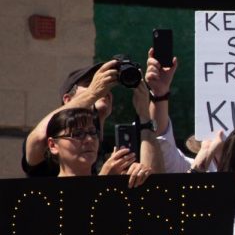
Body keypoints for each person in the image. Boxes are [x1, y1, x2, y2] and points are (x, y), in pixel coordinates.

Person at [23, 58, 163, 177]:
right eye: (91, 82)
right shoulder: (59, 146)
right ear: (68, 99)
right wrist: (92, 94)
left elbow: (157, 183)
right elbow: (38, 139)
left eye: (108, 83)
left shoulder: (119, 143)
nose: (103, 87)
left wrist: (144, 114)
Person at [46, 108, 152, 187]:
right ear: (53, 145)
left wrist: (140, 178)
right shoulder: (44, 192)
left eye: (92, 132)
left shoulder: (116, 183)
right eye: (78, 134)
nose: (89, 139)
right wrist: (103, 180)